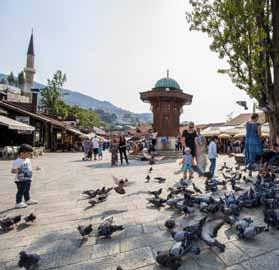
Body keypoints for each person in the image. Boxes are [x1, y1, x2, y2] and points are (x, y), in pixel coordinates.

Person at [11, 144, 38, 209]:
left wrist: (35, 168)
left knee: (27, 190)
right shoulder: (17, 161)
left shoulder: (27, 160)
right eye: (28, 153)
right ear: (22, 153)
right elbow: (12, 171)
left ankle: (27, 200)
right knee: (21, 191)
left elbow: (29, 167)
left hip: (28, 178)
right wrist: (16, 171)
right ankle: (18, 202)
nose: (29, 154)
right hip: (20, 180)